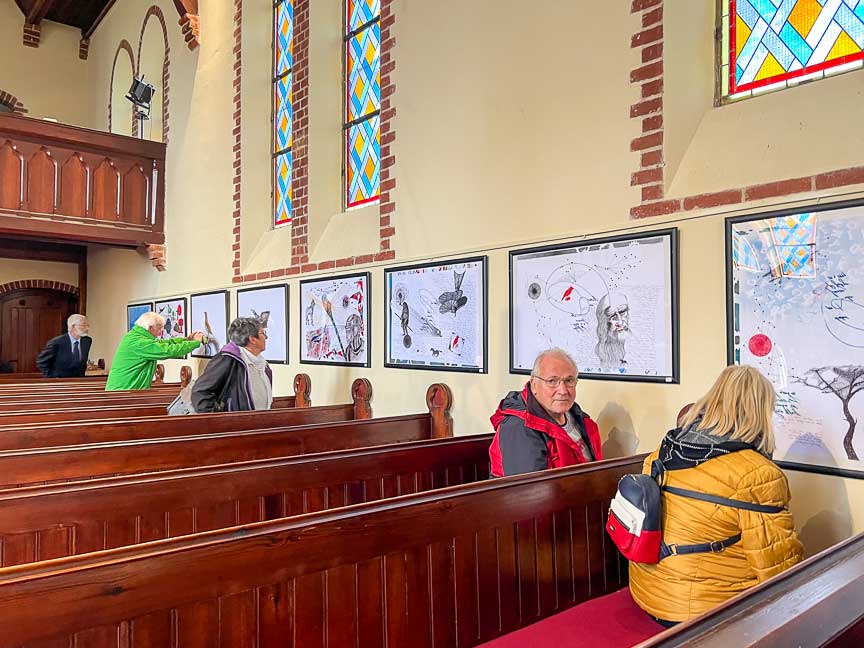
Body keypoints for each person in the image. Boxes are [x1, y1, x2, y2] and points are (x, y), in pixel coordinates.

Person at [629, 365, 804, 625]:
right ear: (761, 411)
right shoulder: (757, 474)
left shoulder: (664, 450)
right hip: (700, 611)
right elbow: (777, 567)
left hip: (648, 591)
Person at [489, 348, 601, 477]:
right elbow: (530, 487)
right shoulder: (518, 427)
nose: (563, 390)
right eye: (552, 381)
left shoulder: (580, 419)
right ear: (534, 385)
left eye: (569, 381)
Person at [192, 317, 272, 412]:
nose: (266, 337)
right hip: (237, 421)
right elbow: (200, 392)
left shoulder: (262, 364)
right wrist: (220, 418)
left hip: (261, 419)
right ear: (252, 339)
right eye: (263, 333)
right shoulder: (227, 359)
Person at [106, 312, 203, 390]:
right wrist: (195, 342)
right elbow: (168, 351)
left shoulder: (135, 335)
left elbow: (164, 343)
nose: (160, 333)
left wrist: (187, 340)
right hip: (124, 390)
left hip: (124, 389)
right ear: (150, 328)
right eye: (159, 329)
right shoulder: (140, 342)